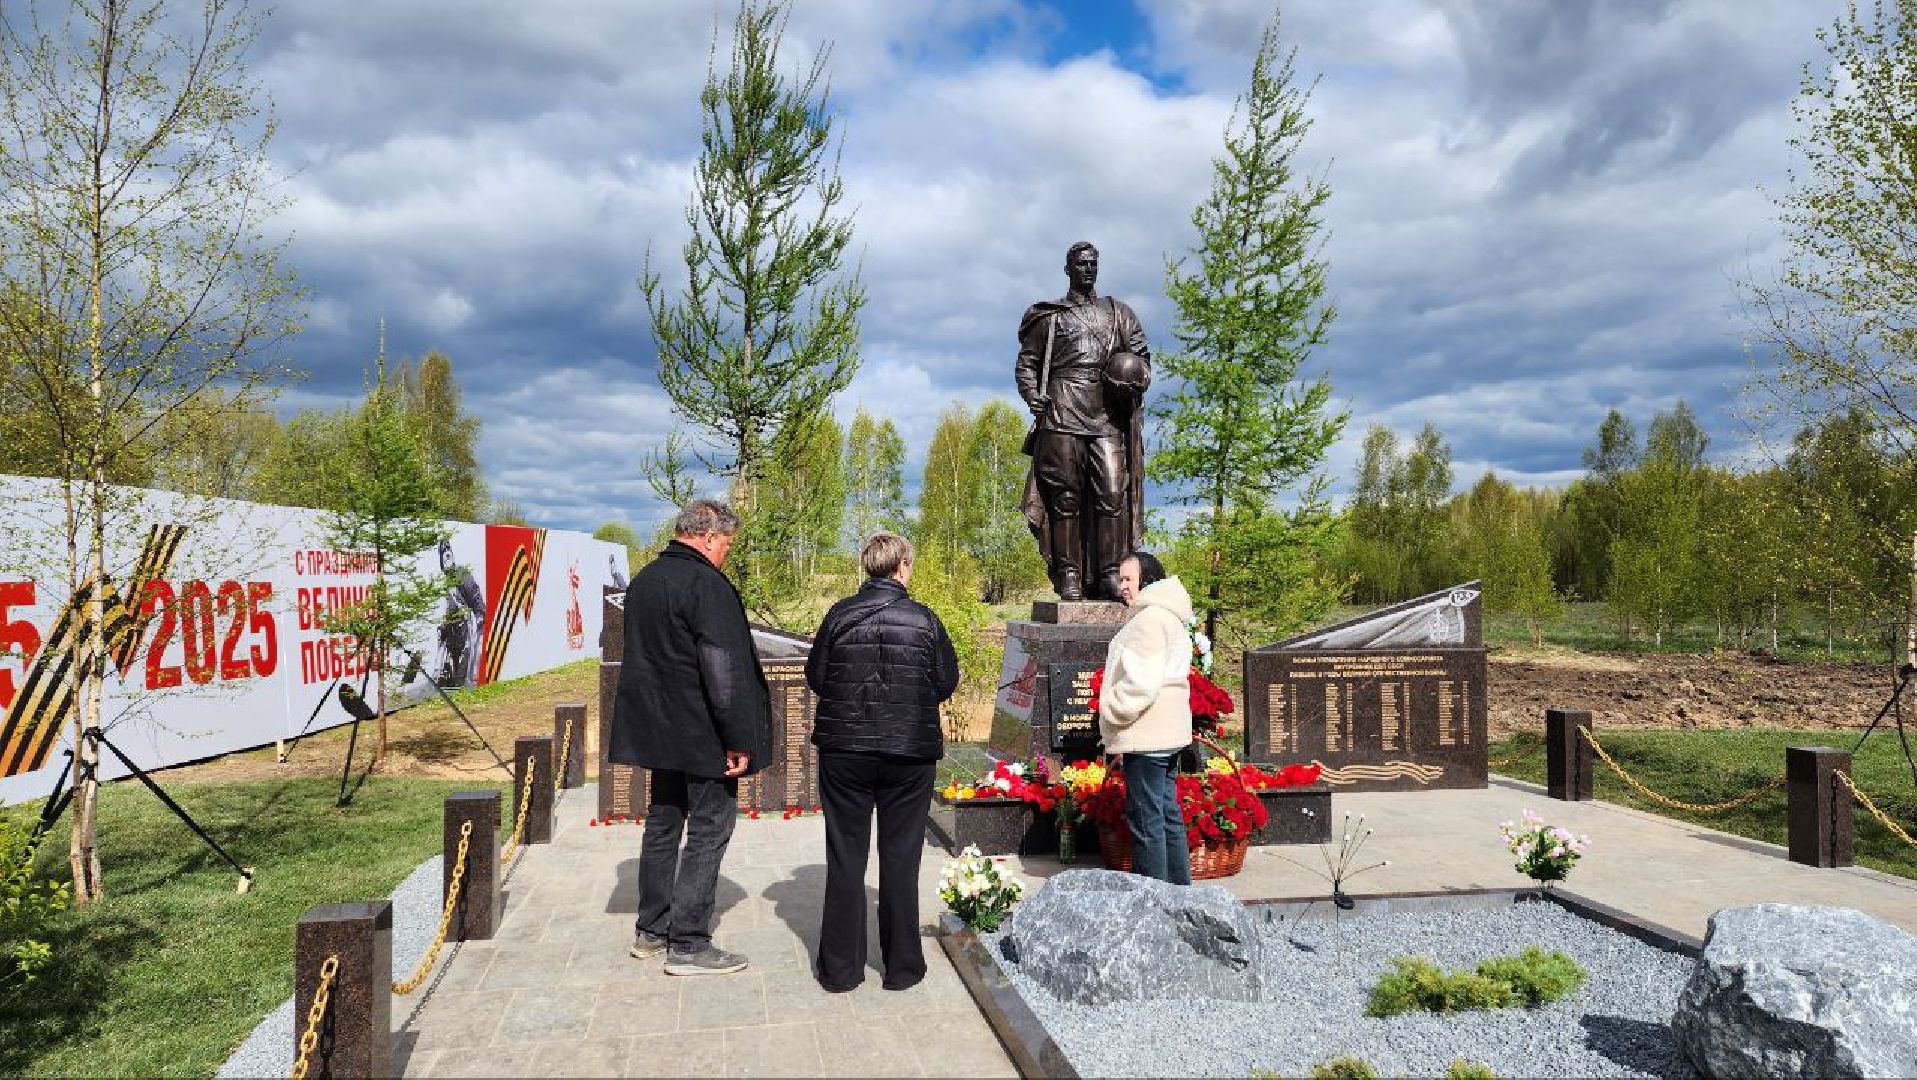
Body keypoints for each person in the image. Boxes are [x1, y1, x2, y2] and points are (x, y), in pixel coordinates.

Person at [610, 499, 771, 976]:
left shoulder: (644, 581)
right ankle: (690, 943)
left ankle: (652, 930)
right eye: (725, 544)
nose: (726, 553)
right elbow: (721, 668)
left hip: (660, 731)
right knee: (709, 827)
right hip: (703, 733)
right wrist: (736, 736)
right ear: (706, 536)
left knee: (662, 824)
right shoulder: (706, 584)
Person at [805, 532, 960, 992]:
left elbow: (817, 676)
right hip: (908, 753)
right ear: (903, 567)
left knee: (845, 857)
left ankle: (840, 970)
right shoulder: (924, 620)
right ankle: (903, 967)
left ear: (867, 567)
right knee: (901, 858)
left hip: (845, 750)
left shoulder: (838, 616)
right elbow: (946, 680)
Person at [1016, 240, 1151, 602]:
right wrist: (1034, 398)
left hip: (1106, 415)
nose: (1088, 269)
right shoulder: (1051, 317)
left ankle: (1109, 573)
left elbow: (1142, 360)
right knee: (1065, 499)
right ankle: (1069, 573)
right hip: (1062, 411)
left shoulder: (1119, 314)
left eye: (1093, 264)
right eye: (1081, 264)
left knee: (1111, 493)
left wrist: (1135, 380)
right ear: (1068, 269)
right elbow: (1026, 364)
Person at [1097, 551, 1195, 885]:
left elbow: (1140, 684)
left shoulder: (1148, 620)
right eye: (1120, 578)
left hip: (1147, 734)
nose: (1121, 586)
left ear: (1147, 580)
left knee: (1146, 821)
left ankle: (1154, 904)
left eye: (1128, 579)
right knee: (1167, 816)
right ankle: (1180, 897)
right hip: (1167, 734)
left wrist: (1111, 709)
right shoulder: (1168, 616)